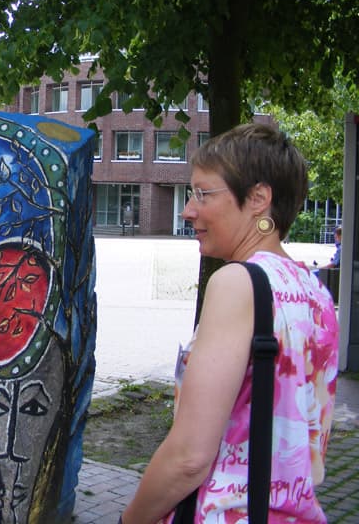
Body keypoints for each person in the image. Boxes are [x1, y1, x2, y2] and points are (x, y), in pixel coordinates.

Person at [121, 124, 339, 523]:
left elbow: (189, 458)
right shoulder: (316, 293)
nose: (188, 210)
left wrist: (129, 519)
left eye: (203, 194)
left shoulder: (239, 283)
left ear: (258, 199)